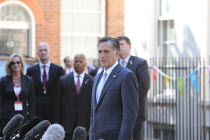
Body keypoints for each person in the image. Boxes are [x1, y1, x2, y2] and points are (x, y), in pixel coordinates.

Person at [89, 36, 139, 140]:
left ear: (117, 53)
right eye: (100, 52)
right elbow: (94, 112)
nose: (102, 56)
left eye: (106, 52)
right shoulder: (97, 77)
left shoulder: (126, 75)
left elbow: (129, 116)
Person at [117, 35, 150, 140]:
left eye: (121, 44)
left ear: (129, 46)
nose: (119, 47)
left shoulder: (140, 63)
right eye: (117, 45)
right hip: (116, 113)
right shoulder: (113, 64)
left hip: (135, 112)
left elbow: (144, 86)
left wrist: (126, 100)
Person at [26, 42, 64, 123]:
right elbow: (28, 91)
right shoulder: (31, 70)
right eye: (41, 50)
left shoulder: (58, 70)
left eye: (45, 50)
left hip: (53, 110)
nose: (43, 52)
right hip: (37, 110)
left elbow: (62, 91)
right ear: (37, 53)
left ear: (50, 52)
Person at [59, 53, 93, 140]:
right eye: (76, 61)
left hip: (84, 124)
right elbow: (57, 104)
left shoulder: (92, 81)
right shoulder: (63, 80)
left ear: (85, 64)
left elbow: (93, 105)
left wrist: (91, 125)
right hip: (67, 124)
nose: (78, 63)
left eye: (80, 61)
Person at [0, 54, 35, 132]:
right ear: (10, 65)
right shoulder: (4, 80)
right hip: (7, 118)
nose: (16, 65)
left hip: (24, 118)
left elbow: (32, 102)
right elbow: (1, 102)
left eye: (18, 62)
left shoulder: (29, 80)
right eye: (13, 63)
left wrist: (31, 121)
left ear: (21, 64)